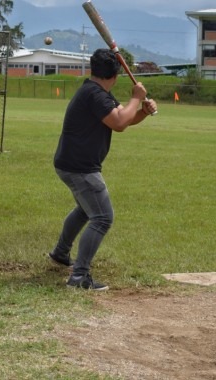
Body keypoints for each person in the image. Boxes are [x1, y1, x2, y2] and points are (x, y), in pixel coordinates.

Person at [48, 49, 158, 291]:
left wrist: (142, 112)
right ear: (116, 75)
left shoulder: (96, 92)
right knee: (102, 217)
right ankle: (79, 277)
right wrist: (137, 97)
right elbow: (119, 123)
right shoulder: (95, 95)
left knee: (85, 210)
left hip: (69, 164)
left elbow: (123, 118)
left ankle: (60, 253)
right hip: (81, 168)